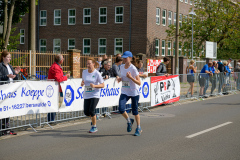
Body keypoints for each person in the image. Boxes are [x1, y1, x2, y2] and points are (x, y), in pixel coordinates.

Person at [116, 51, 142, 136]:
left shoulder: (133, 68)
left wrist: (131, 77)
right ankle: (129, 120)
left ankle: (138, 127)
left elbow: (139, 83)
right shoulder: (122, 67)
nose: (124, 59)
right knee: (121, 108)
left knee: (135, 112)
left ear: (130, 58)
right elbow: (123, 77)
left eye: (125, 58)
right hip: (125, 91)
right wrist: (120, 79)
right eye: (123, 58)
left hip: (134, 92)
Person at [81, 57, 104, 133]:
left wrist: (94, 86)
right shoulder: (84, 72)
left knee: (91, 111)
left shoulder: (97, 73)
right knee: (86, 112)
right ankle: (94, 117)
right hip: (87, 94)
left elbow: (102, 85)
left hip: (95, 94)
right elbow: (83, 81)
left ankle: (94, 127)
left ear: (93, 64)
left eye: (89, 63)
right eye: (87, 64)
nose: (88, 65)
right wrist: (82, 83)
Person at [0, 51, 20, 136]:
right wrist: (7, 76)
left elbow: (16, 78)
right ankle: (1, 128)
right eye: (8, 57)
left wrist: (16, 73)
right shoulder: (0, 66)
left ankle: (6, 127)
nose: (9, 59)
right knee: (2, 110)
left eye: (10, 57)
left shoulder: (10, 66)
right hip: (3, 91)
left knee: (8, 110)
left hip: (10, 91)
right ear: (3, 57)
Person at [47, 54, 70, 122]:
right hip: (54, 88)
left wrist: (65, 75)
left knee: (55, 104)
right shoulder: (56, 67)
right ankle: (51, 120)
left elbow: (59, 76)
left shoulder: (57, 66)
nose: (63, 60)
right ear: (60, 61)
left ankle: (51, 119)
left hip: (55, 87)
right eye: (63, 59)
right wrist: (66, 77)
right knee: (54, 104)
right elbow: (58, 79)